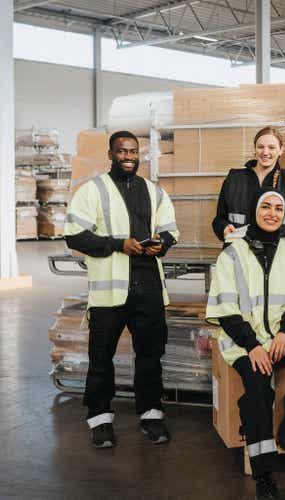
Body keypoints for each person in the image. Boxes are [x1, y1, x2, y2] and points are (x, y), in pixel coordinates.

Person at [64, 131, 179, 448]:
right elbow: (74, 236)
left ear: (139, 154)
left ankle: (152, 415)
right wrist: (118, 245)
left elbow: (171, 230)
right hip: (109, 293)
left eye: (132, 151)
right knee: (101, 358)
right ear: (110, 154)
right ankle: (100, 419)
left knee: (150, 355)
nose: (128, 156)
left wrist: (162, 245)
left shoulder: (154, 192)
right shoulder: (93, 191)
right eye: (121, 151)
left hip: (149, 288)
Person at [206, 188, 285, 500]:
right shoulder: (231, 255)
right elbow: (226, 311)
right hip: (245, 339)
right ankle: (265, 473)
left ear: (284, 216)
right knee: (258, 391)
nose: (272, 213)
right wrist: (253, 346)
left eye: (278, 209)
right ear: (254, 212)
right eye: (266, 207)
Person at [212, 126, 285, 255]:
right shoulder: (234, 179)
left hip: (279, 261)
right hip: (239, 257)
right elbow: (219, 219)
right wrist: (223, 227)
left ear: (281, 150)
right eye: (260, 147)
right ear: (254, 149)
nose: (265, 152)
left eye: (271, 147)